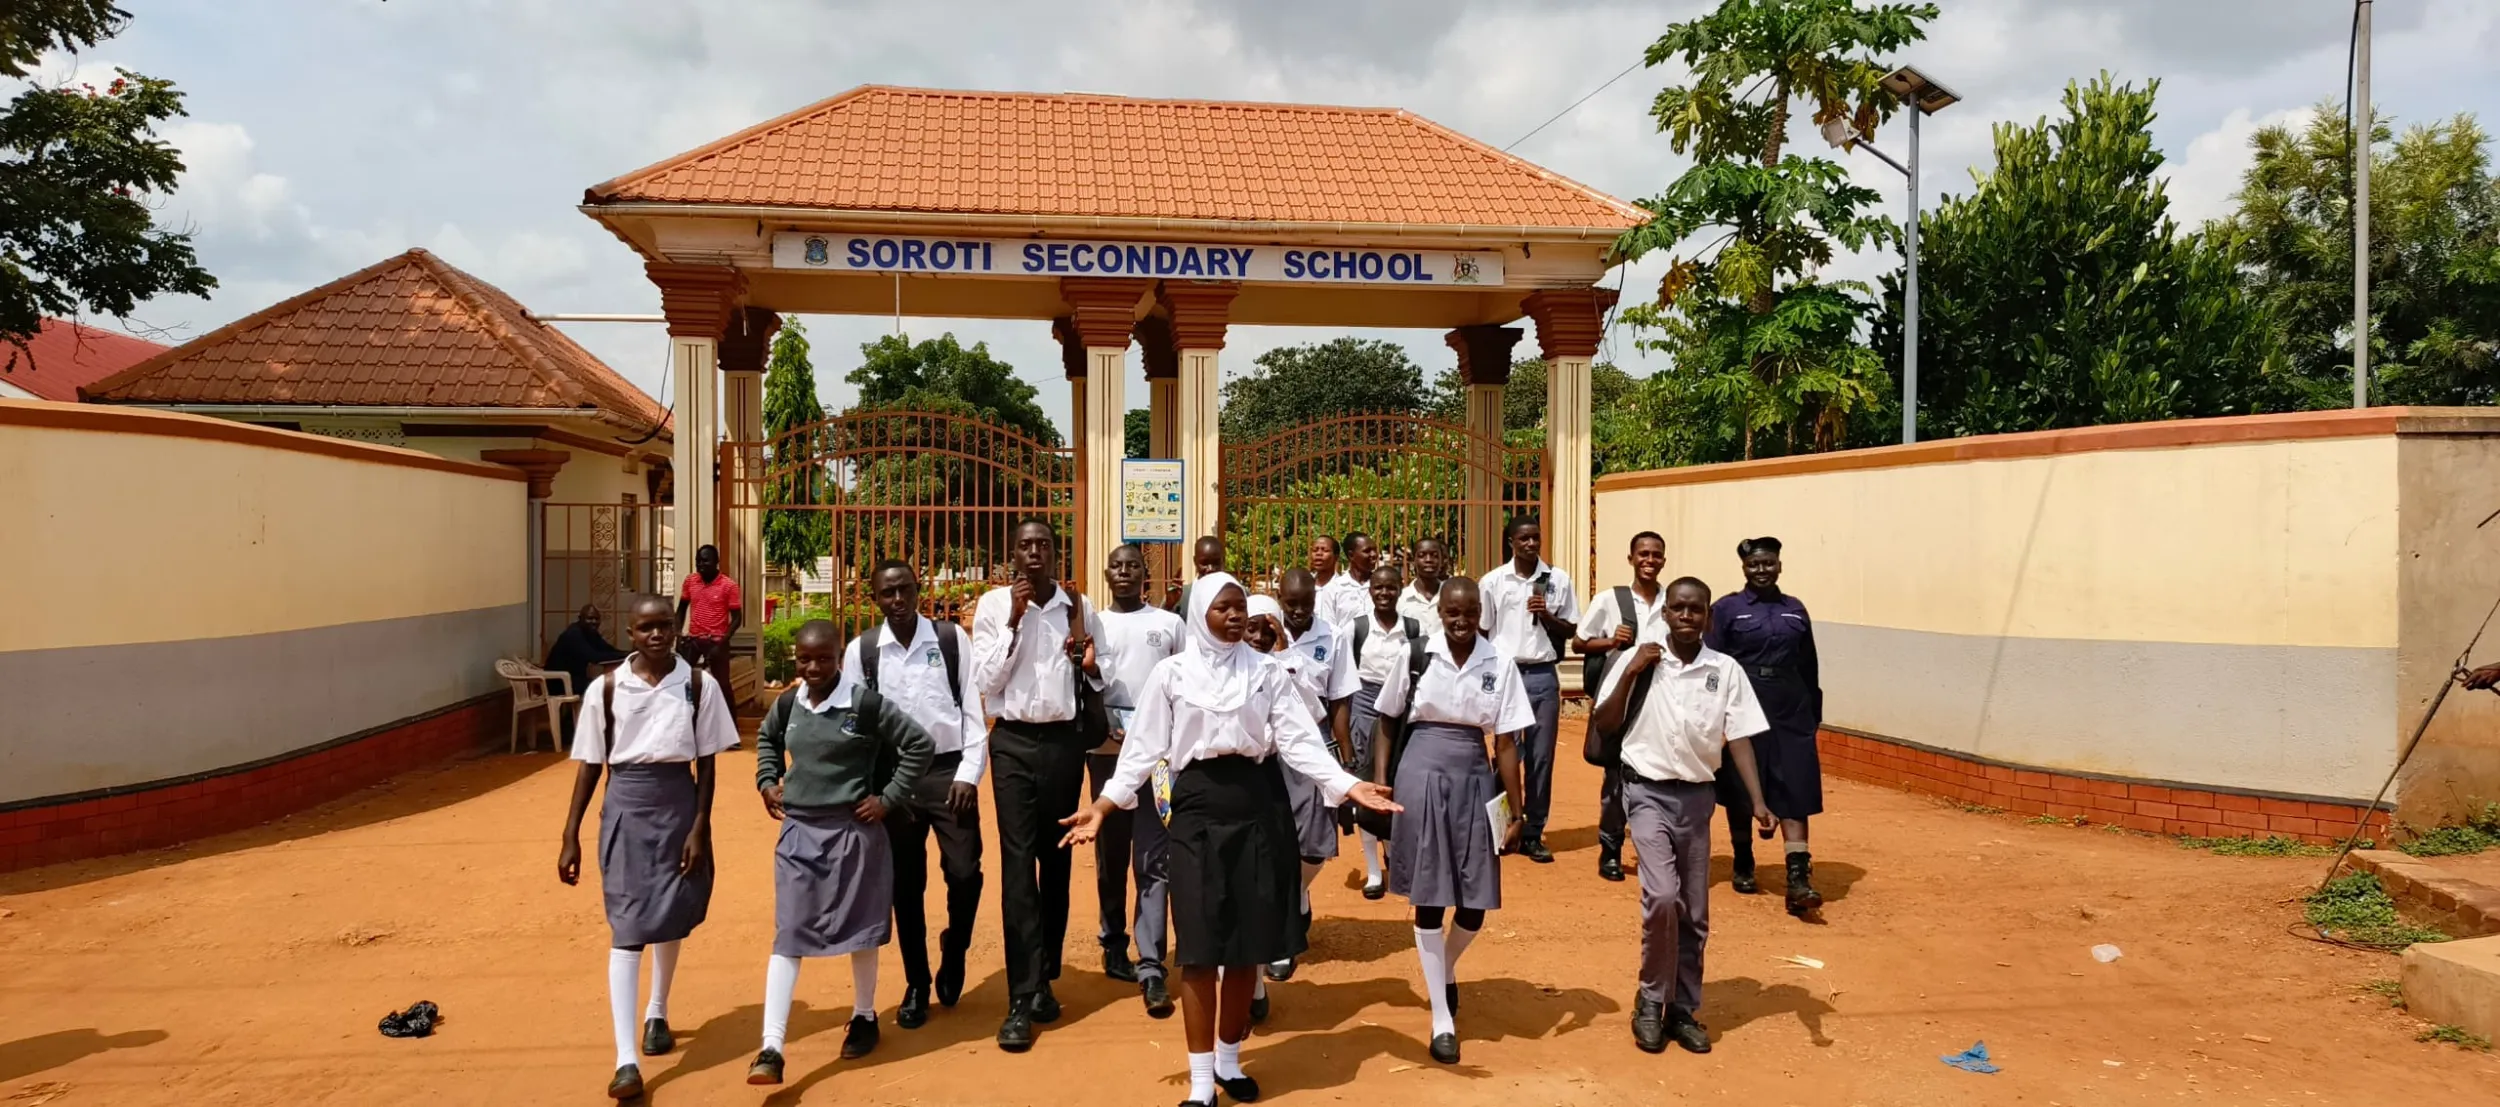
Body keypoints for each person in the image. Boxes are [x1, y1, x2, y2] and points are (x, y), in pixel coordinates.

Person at [1060, 574, 1401, 1107]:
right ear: (1200, 614)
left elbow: (1298, 742)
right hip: (1197, 807)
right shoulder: (1171, 674)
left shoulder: (1267, 672)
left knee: (1245, 948)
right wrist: (1105, 805)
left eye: (1241, 607)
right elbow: (1145, 749)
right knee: (1199, 949)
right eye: (1223, 608)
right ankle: (1201, 1084)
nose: (1236, 616)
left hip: (1259, 805)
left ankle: (1228, 1061)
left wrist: (1348, 784)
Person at [555, 594, 738, 1101]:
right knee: (629, 924)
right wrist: (570, 833)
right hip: (626, 810)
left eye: (664, 626)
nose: (656, 635)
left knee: (671, 912)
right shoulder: (606, 689)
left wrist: (699, 826)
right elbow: (591, 762)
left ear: (675, 630)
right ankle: (625, 1059)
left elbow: (708, 764)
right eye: (645, 628)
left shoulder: (697, 685)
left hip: (679, 806)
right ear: (630, 633)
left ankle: (657, 1010)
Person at [1587, 577, 1775, 1056]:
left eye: (1696, 610)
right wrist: (1631, 670)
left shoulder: (1725, 669)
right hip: (1645, 791)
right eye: (1678, 609)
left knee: (1693, 912)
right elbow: (1604, 722)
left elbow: (1740, 738)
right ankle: (1650, 1001)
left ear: (1708, 616)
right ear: (1665, 613)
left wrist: (1757, 801)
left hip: (1697, 797)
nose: (1687, 617)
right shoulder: (1642, 660)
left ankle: (1684, 1009)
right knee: (1663, 898)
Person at [746, 621, 937, 1084]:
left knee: (860, 930)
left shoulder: (864, 705)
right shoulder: (789, 703)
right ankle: (771, 1047)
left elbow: (919, 744)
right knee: (788, 932)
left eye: (823, 659)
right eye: (804, 659)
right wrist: (767, 780)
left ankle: (865, 1016)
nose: (813, 668)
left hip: (854, 834)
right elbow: (768, 740)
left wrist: (887, 799)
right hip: (799, 834)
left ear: (839, 658)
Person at [1369, 577, 1531, 1065]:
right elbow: (1388, 719)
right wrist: (1382, 784)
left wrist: (1516, 810)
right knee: (1430, 896)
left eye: (1469, 612)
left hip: (1473, 775)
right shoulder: (1417, 654)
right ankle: (1441, 1016)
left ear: (1481, 612)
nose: (1461, 621)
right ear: (1439, 612)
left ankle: (1445, 969)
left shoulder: (1499, 662)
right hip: (1420, 770)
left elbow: (1505, 743)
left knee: (1475, 901)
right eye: (1451, 612)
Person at [968, 519, 1106, 1051]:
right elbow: (985, 682)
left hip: (1065, 746)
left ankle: (1046, 977)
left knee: (1058, 861)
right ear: (1013, 555)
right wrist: (1016, 619)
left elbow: (1099, 673)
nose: (1033, 554)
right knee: (1018, 865)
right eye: (1024, 546)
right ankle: (1020, 999)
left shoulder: (1077, 606)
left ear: (1054, 553)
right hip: (1014, 745)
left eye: (1042, 546)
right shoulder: (993, 607)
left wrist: (1089, 662)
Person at [845, 562, 987, 1029]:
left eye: (905, 589)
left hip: (948, 773)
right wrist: (870, 788)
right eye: (888, 593)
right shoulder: (863, 652)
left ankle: (956, 949)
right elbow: (853, 727)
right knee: (906, 886)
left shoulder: (948, 641)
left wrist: (968, 773)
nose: (898, 599)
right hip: (894, 780)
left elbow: (971, 710)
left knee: (965, 873)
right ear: (875, 599)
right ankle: (917, 983)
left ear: (918, 589)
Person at [1706, 536, 1826, 916]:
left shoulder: (1795, 609)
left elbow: (1809, 664)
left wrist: (1813, 711)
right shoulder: (1726, 609)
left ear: (1779, 565)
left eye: (1768, 563)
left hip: (1791, 707)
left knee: (1796, 786)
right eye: (1755, 564)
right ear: (1744, 568)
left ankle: (1798, 878)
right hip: (1744, 701)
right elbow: (1712, 662)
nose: (1762, 570)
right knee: (1741, 783)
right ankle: (1743, 858)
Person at [1089, 544, 1184, 1018]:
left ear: (1144, 574)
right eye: (1116, 566)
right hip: (1107, 755)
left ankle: (1152, 966)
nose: (1124, 572)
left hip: (1160, 762)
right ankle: (1112, 940)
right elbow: (1085, 683)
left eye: (1132, 566)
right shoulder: (1095, 625)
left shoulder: (1168, 625)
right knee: (1110, 853)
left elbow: (1187, 681)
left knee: (1154, 856)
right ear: (1107, 574)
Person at [1254, 572, 1359, 985]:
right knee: (1271, 841)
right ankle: (1278, 940)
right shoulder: (1257, 628)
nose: (1298, 612)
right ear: (1280, 598)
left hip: (1311, 741)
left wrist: (1345, 758)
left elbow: (1340, 700)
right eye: (1291, 604)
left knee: (1315, 842)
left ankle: (1298, 892)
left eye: (1306, 605)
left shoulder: (1331, 636)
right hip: (1266, 745)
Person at [1477, 516, 1581, 864]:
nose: (1531, 544)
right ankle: (1503, 823)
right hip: (1505, 673)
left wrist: (1547, 615)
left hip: (1541, 674)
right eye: (1524, 539)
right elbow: (1483, 630)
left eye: (1536, 538)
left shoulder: (1558, 579)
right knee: (1505, 752)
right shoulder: (1493, 581)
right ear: (1511, 542)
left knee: (1541, 756)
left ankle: (1534, 830)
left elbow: (1571, 631)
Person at [1575, 531, 1670, 882]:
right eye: (1642, 553)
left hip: (1659, 700)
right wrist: (1611, 641)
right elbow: (1580, 642)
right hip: (1620, 697)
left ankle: (1654, 848)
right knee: (1616, 775)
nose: (1649, 560)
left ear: (1664, 560)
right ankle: (1610, 849)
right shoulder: (1610, 599)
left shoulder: (1672, 600)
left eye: (1655, 554)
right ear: (1630, 558)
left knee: (1657, 774)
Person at [1346, 562, 1421, 899]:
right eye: (1378, 587)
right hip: (1365, 703)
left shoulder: (1414, 627)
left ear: (1401, 589)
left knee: (1398, 781)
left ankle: (1394, 852)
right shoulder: (1357, 628)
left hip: (1401, 709)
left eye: (1391, 587)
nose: (1385, 593)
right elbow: (1344, 676)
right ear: (1370, 590)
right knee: (1369, 786)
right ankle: (1374, 870)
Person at [675, 544, 744, 701]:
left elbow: (737, 618)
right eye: (698, 561)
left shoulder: (729, 586)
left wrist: (723, 642)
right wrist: (678, 636)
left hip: (717, 640)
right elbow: (680, 610)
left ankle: (730, 723)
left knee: (722, 685)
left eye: (705, 561)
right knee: (680, 679)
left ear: (716, 561)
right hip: (694, 639)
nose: (700, 565)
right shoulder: (690, 581)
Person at [545, 603, 628, 710]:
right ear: (580, 619)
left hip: (574, 679)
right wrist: (625, 655)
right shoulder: (574, 634)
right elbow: (594, 657)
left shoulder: (591, 633)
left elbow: (608, 649)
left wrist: (629, 654)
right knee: (606, 687)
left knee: (609, 685)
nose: (594, 622)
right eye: (590, 618)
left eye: (596, 619)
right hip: (559, 682)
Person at [1311, 534, 1367, 631]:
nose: (1319, 553)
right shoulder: (1304, 587)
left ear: (1336, 557)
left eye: (1325, 550)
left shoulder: (1344, 587)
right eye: (1315, 550)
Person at [1396, 535, 1452, 626]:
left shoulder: (1452, 595)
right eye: (1422, 555)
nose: (1428, 560)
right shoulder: (1401, 599)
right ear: (1414, 561)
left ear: (1442, 561)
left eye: (1434, 555)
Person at [1171, 535, 1226, 614]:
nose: (1210, 569)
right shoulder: (1183, 596)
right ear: (1195, 561)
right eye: (1204, 563)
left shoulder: (1238, 593)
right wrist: (1168, 606)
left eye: (1216, 563)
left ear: (1223, 561)